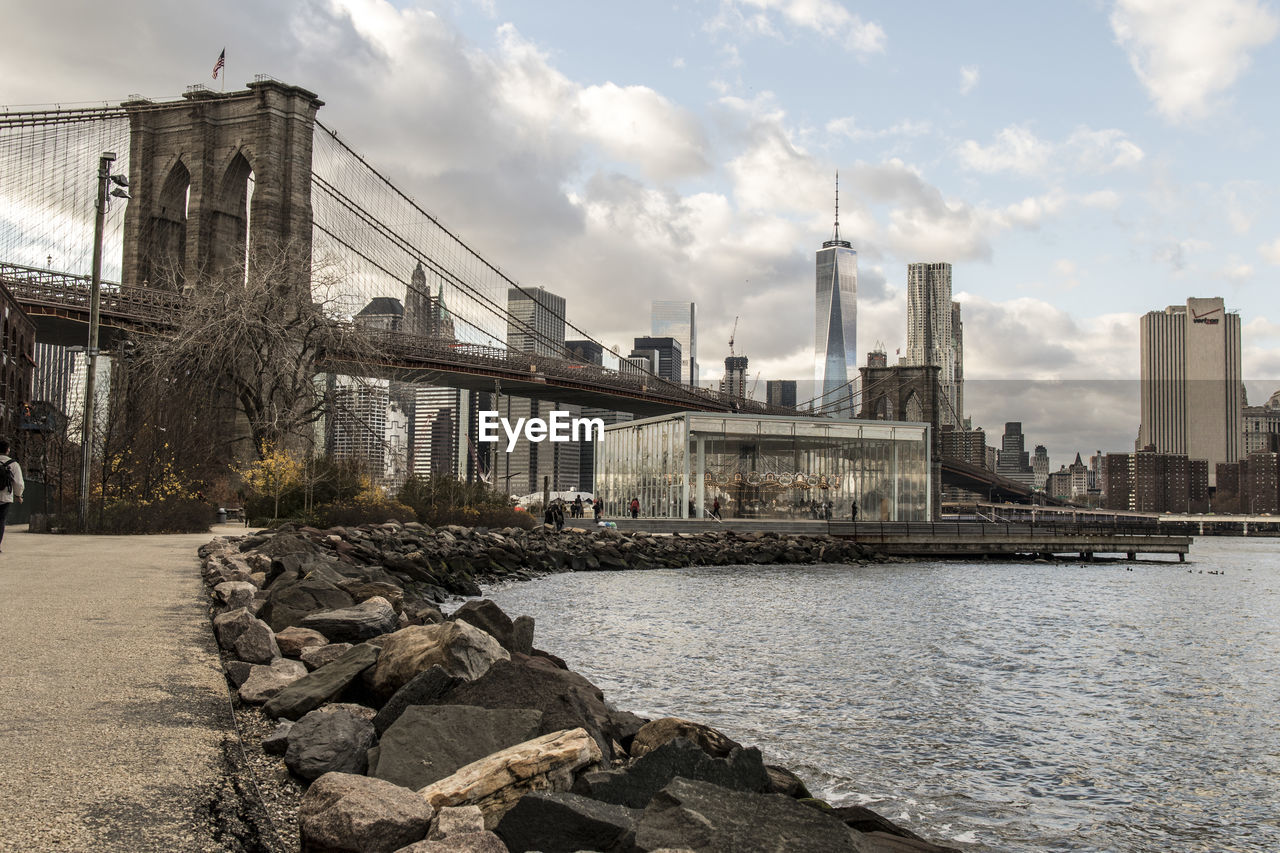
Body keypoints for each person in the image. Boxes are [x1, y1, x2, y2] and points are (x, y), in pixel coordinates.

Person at [0, 440, 24, 553]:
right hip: (4, 498)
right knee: (1, 521)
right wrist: (18, 495)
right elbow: (19, 483)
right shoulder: (13, 464)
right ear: (7, 450)